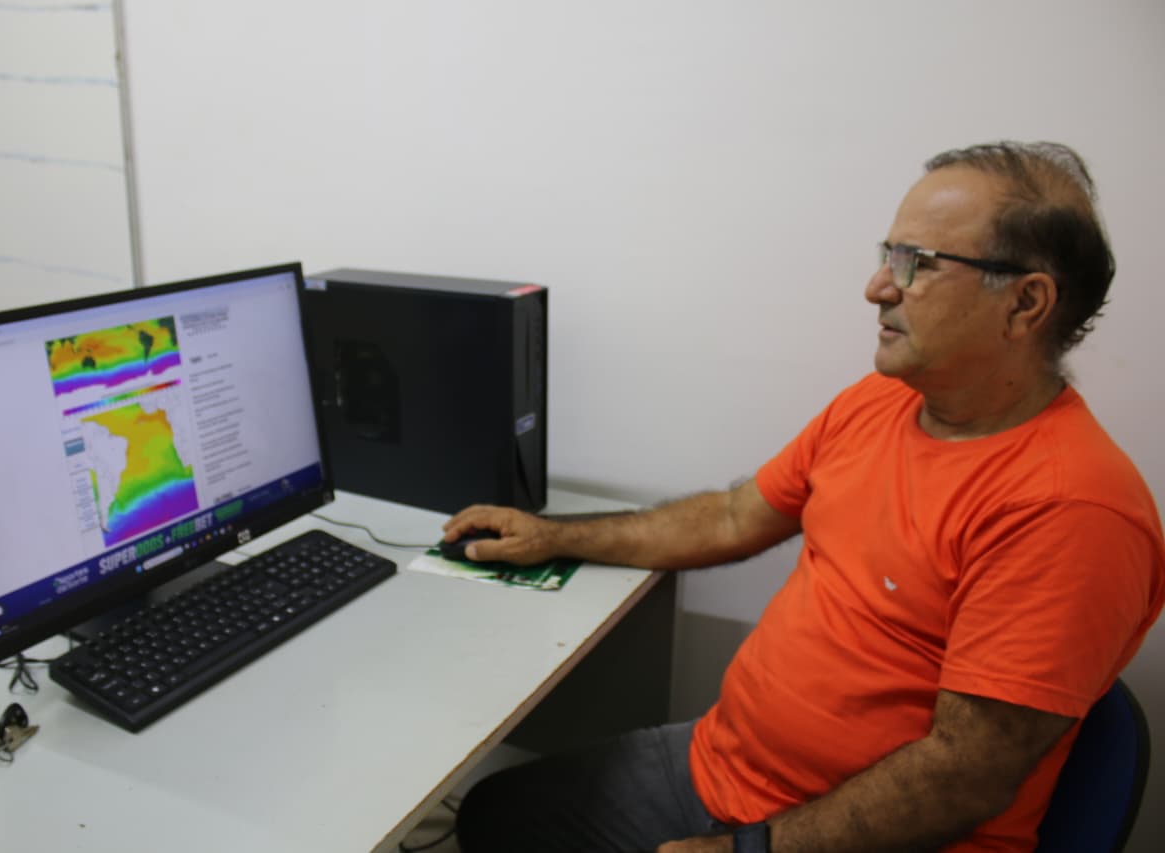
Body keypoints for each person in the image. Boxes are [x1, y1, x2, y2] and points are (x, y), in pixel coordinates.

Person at [443, 141, 1165, 853]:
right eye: (888, 255)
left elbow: (963, 777)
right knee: (493, 813)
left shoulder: (1072, 511)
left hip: (852, 836)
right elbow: (734, 516)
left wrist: (747, 850)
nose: (877, 287)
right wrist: (555, 535)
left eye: (916, 263)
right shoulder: (880, 400)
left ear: (1025, 303)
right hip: (725, 766)